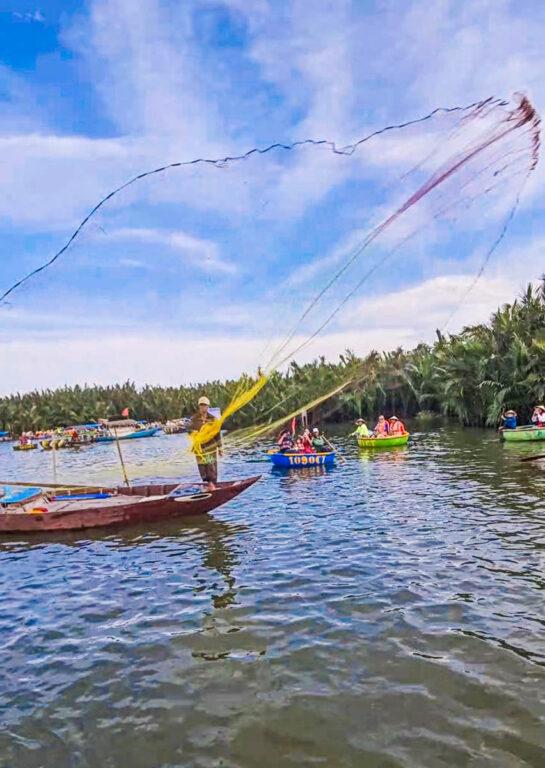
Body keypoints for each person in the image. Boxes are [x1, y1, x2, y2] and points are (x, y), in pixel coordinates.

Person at [189, 396, 223, 490]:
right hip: (199, 447)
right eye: (201, 405)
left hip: (211, 447)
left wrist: (220, 447)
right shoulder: (194, 419)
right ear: (199, 406)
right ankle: (207, 483)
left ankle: (212, 484)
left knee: (211, 465)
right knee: (202, 466)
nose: (203, 407)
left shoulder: (213, 419)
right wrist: (194, 433)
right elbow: (189, 430)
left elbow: (217, 434)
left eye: (205, 405)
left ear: (208, 406)